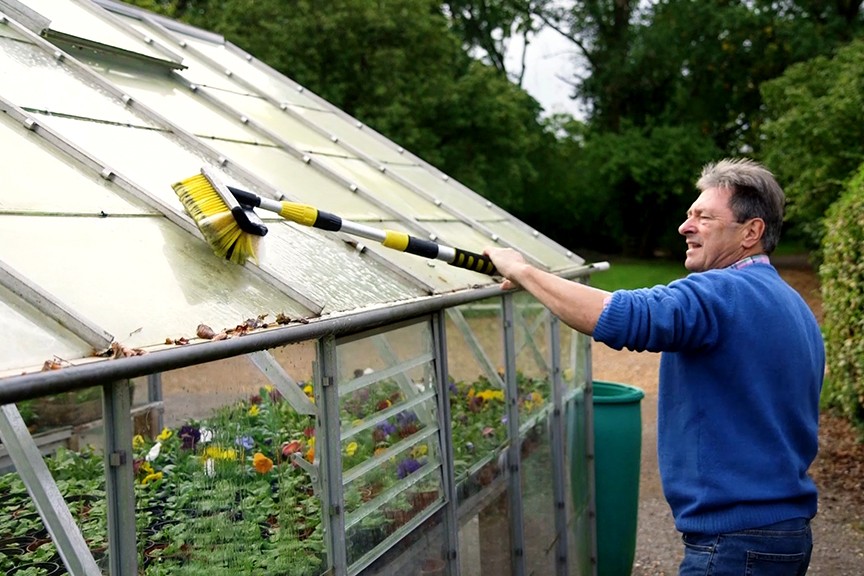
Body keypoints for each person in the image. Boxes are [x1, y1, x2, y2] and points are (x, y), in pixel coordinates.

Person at [484, 158, 824, 575]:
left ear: (750, 232)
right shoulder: (793, 306)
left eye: (703, 217)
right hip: (784, 536)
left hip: (735, 544)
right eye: (688, 215)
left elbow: (620, 316)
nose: (685, 226)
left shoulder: (721, 293)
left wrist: (522, 270)